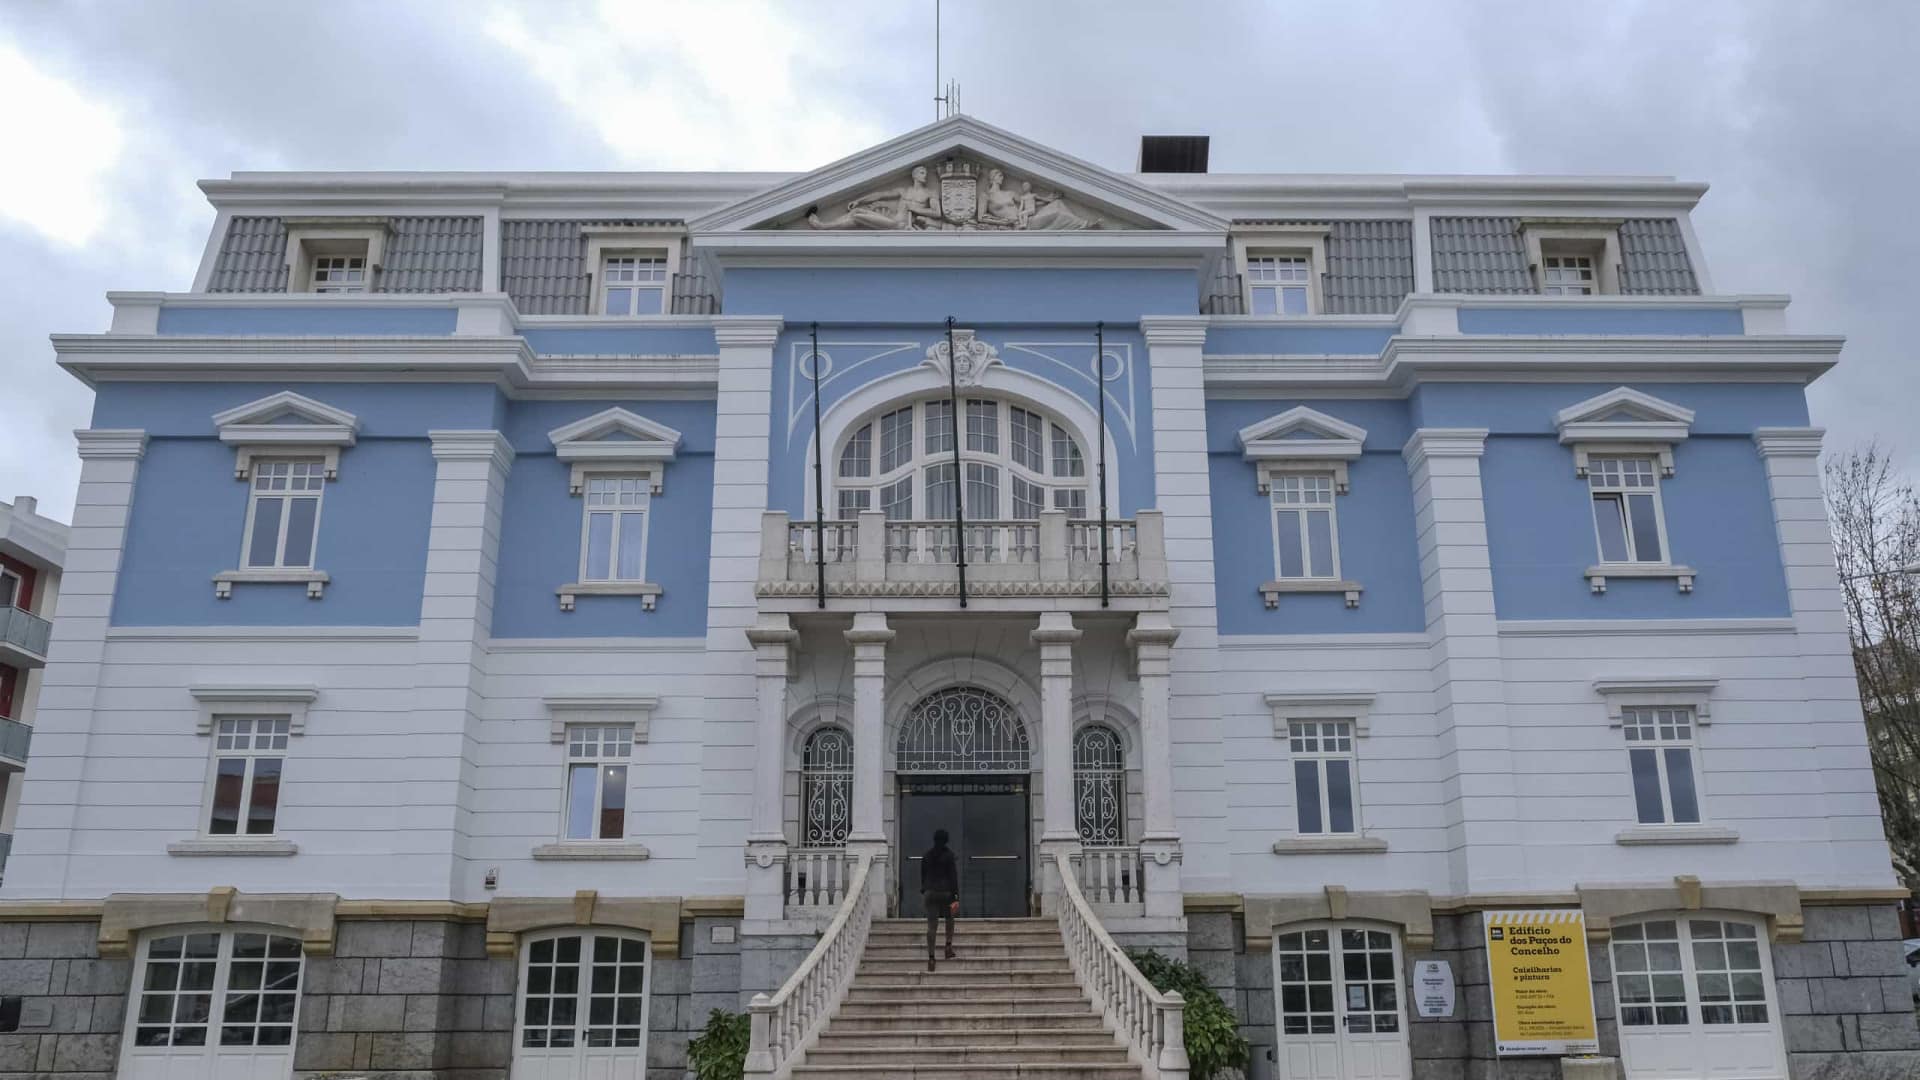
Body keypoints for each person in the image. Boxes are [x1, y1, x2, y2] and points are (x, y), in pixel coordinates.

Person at [920, 829, 959, 971]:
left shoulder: (927, 856)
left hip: (930, 892)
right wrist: (956, 896)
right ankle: (948, 947)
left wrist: (924, 890)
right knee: (950, 919)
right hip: (946, 892)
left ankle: (931, 958)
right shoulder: (949, 856)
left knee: (931, 926)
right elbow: (953, 877)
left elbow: (923, 876)